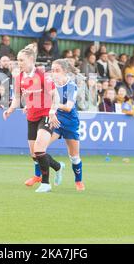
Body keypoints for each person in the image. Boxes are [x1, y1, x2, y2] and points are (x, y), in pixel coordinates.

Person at [3, 44, 64, 193]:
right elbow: (17, 97)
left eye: (22, 60)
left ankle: (45, 183)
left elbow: (56, 96)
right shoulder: (19, 78)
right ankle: (57, 166)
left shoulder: (43, 75)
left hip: (46, 115)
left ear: (31, 60)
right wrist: (11, 109)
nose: (19, 63)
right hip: (31, 116)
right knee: (34, 154)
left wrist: (52, 111)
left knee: (39, 149)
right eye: (18, 60)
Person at [47, 59, 85, 191]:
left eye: (57, 70)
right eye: (52, 70)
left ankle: (78, 181)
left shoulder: (71, 86)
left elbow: (69, 107)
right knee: (40, 148)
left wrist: (53, 106)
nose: (54, 73)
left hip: (70, 122)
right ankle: (39, 176)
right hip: (56, 119)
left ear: (64, 71)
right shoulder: (49, 83)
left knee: (74, 157)